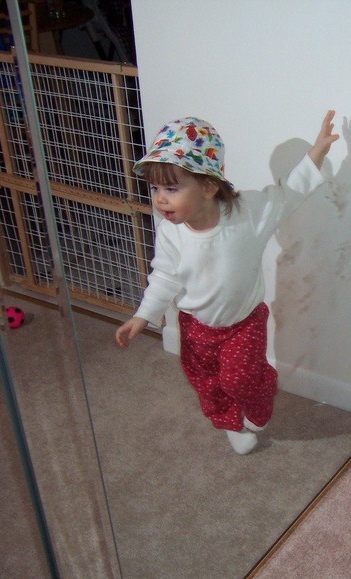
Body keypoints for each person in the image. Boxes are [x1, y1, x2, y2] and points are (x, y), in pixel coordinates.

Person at [116, 111, 339, 455]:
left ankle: (259, 397)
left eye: (172, 188)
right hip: (195, 327)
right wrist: (143, 315)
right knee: (206, 384)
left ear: (208, 186)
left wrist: (317, 152)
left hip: (243, 324)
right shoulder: (170, 233)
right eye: (155, 188)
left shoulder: (247, 213)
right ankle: (230, 423)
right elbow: (164, 276)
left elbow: (288, 195)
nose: (160, 199)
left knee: (240, 379)